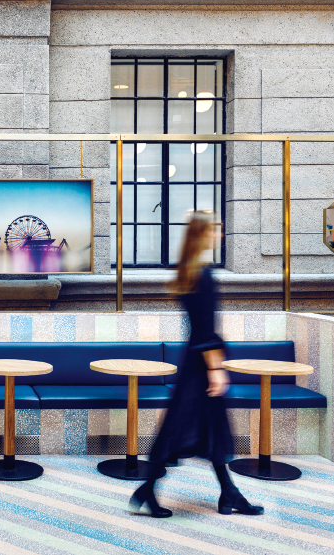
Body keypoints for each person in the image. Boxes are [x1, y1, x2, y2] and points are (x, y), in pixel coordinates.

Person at [129, 212, 263, 518]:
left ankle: (228, 493)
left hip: (194, 361)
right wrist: (216, 370)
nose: (221, 232)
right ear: (203, 234)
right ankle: (151, 488)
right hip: (203, 366)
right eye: (216, 228)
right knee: (183, 427)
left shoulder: (188, 272)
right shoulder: (202, 275)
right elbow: (205, 329)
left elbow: (200, 328)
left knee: (206, 427)